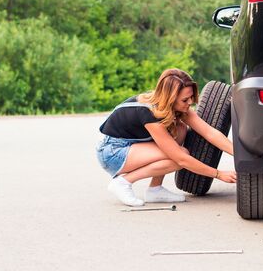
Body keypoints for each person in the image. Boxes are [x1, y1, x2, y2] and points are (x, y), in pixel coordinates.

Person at [96, 68, 236, 206]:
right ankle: (123, 182)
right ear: (170, 99)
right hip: (111, 151)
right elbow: (181, 160)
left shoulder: (176, 107)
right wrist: (218, 174)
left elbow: (209, 132)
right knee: (180, 156)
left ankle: (155, 190)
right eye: (185, 100)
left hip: (132, 145)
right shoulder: (149, 113)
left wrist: (240, 154)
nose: (190, 102)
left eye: (191, 97)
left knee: (180, 128)